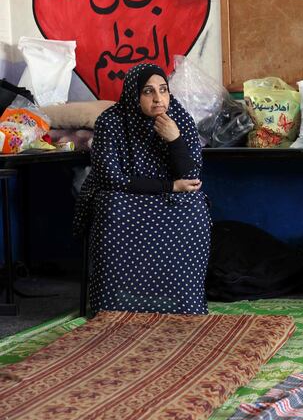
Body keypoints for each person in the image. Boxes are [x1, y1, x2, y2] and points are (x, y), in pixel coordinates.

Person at [74, 62, 211, 314]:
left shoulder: (179, 118)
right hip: (126, 195)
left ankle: (186, 306)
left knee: (195, 205)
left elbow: (191, 176)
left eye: (163, 90)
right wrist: (168, 186)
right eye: (148, 92)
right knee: (110, 204)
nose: (159, 98)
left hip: (171, 196)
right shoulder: (111, 121)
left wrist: (174, 139)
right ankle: (109, 308)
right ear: (134, 95)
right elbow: (110, 177)